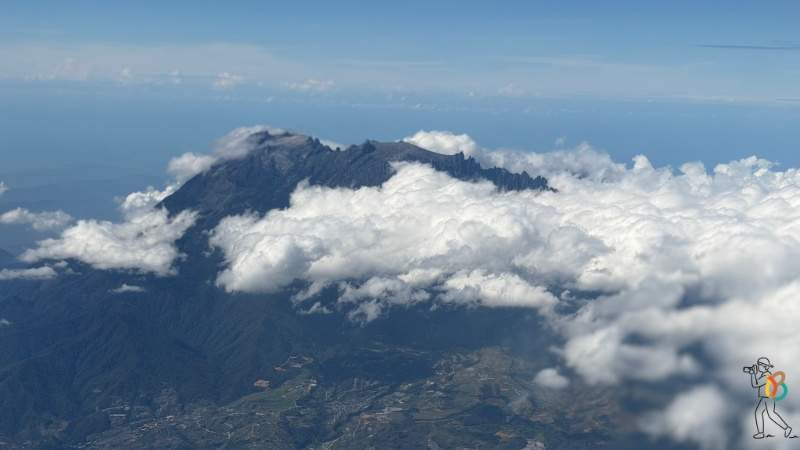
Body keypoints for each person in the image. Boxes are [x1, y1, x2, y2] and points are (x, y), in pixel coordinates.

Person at [749, 357, 792, 439]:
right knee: (764, 413)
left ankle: (786, 428)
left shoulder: (767, 375)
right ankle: (761, 432)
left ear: (764, 366)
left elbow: (755, 384)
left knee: (771, 414)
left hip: (767, 397)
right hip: (765, 397)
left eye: (759, 365)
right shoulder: (765, 374)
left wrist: (752, 374)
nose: (757, 367)